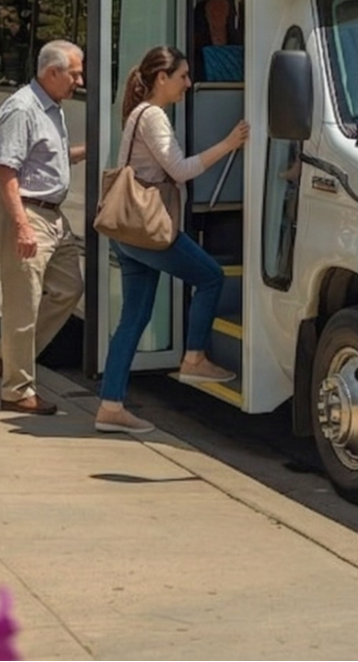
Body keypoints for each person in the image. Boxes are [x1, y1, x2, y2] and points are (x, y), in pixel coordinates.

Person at [96, 46, 251, 434]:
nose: (189, 83)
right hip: (150, 231)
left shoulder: (138, 113)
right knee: (211, 276)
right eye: (182, 76)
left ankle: (111, 406)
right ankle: (194, 358)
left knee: (133, 318)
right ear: (162, 78)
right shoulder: (153, 116)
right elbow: (180, 170)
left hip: (129, 232)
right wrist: (229, 144)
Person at [0, 39, 88, 415]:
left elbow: (46, 159)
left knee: (68, 288)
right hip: (28, 214)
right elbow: (5, 170)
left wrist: (87, 150)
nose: (80, 81)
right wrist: (22, 226)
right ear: (52, 72)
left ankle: (4, 355)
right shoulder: (22, 108)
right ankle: (17, 390)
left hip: (53, 215)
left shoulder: (52, 108)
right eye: (75, 74)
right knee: (22, 305)